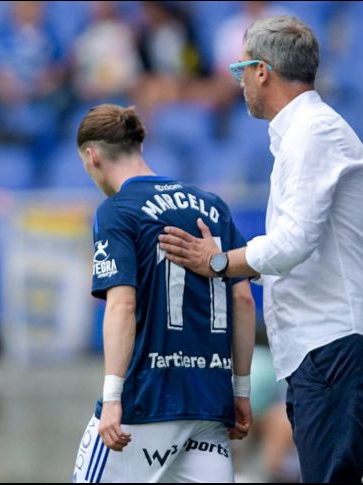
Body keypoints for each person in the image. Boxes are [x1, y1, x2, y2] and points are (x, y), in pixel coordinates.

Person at [157, 16, 363, 483]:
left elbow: (293, 242)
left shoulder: (312, 133)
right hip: (325, 346)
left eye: (240, 71)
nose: (241, 83)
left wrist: (218, 262)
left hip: (336, 342)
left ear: (262, 71)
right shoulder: (304, 133)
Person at [70, 104, 256, 483]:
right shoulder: (213, 206)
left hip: (147, 403)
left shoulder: (117, 212)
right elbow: (243, 300)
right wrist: (240, 389)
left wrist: (112, 398)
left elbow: (122, 304)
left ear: (92, 157)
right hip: (209, 404)